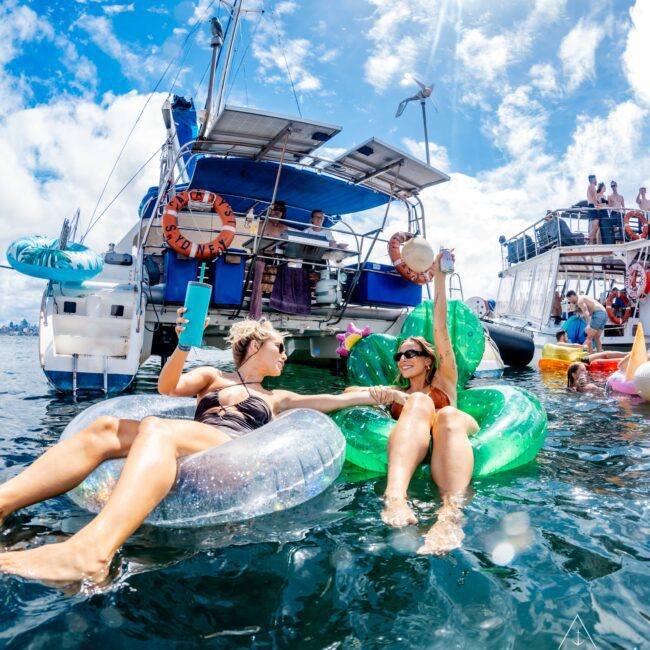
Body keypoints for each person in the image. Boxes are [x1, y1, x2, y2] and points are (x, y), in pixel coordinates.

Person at [0, 315, 389, 584]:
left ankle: (91, 551)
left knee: (157, 429)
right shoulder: (211, 376)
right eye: (279, 347)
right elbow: (167, 387)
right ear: (255, 346)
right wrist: (184, 345)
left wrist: (376, 396)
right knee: (104, 429)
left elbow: (332, 400)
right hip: (188, 438)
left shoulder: (278, 397)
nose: (285, 356)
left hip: (232, 452)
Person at [346, 251, 479, 555]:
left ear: (428, 360)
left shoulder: (444, 378)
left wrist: (441, 278)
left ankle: (450, 515)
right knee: (416, 401)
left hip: (453, 425)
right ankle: (396, 497)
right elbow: (350, 394)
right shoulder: (398, 392)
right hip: (417, 424)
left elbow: (441, 328)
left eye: (410, 354)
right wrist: (385, 394)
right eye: (399, 355)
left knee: (445, 415)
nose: (403, 359)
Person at [587, 174, 600, 244]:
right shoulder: (592, 186)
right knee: (595, 226)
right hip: (592, 206)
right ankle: (590, 242)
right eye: (595, 179)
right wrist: (596, 205)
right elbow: (593, 197)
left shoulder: (590, 186)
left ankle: (591, 241)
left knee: (594, 226)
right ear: (593, 179)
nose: (596, 180)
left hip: (591, 206)